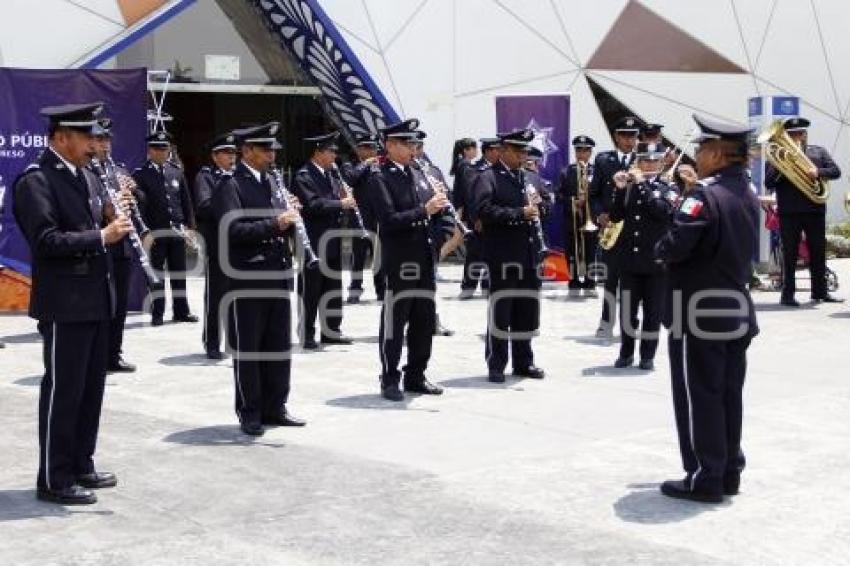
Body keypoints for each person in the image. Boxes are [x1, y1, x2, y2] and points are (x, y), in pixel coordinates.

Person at [14, 102, 132, 504]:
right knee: (64, 390)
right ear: (61, 137)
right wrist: (103, 235)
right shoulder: (37, 180)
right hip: (66, 302)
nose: (94, 146)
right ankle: (54, 477)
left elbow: (96, 222)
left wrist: (112, 213)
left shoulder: (88, 176)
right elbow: (46, 241)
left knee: (91, 389)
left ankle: (82, 462)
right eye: (86, 138)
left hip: (98, 298)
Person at [654, 114, 760, 503]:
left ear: (716, 153)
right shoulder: (745, 191)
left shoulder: (704, 195)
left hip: (697, 313)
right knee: (728, 393)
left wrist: (661, 245)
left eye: (701, 148)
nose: (696, 155)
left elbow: (674, 245)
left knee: (700, 394)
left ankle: (705, 475)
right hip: (735, 311)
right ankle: (729, 468)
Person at [212, 122, 306, 436]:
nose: (271, 156)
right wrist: (276, 223)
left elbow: (282, 225)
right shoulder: (231, 184)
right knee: (250, 347)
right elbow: (231, 230)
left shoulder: (274, 183)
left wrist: (293, 220)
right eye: (265, 150)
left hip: (277, 271)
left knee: (278, 344)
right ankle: (250, 410)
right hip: (248, 276)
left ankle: (275, 406)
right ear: (247, 151)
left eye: (273, 150)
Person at [368, 118, 446, 401]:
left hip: (424, 256)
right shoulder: (379, 177)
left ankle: (416, 374)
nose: (413, 148)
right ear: (390, 145)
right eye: (407, 143)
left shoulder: (419, 172)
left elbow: (438, 214)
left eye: (414, 143)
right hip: (400, 259)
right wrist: (425, 210)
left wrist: (440, 219)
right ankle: (389, 377)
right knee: (395, 320)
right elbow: (388, 220)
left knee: (424, 321)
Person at [472, 129, 546, 383]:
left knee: (527, 311)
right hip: (503, 254)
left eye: (525, 150)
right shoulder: (488, 177)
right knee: (502, 312)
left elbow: (543, 203)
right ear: (503, 151)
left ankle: (524, 361)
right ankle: (496, 363)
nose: (523, 155)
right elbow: (483, 210)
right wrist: (518, 213)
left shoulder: (530, 177)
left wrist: (541, 206)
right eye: (517, 150)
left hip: (528, 254)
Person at [609, 142, 678, 371]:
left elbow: (661, 211)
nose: (649, 164)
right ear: (638, 163)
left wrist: (641, 185)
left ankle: (647, 355)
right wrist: (619, 189)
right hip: (630, 260)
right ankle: (626, 352)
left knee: (653, 312)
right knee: (627, 312)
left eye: (654, 161)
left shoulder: (668, 186)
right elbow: (616, 216)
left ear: (660, 163)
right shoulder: (629, 186)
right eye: (645, 161)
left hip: (655, 261)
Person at [765, 117, 843, 306]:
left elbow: (836, 171)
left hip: (814, 210)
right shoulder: (778, 155)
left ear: (805, 134)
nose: (796, 138)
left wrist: (818, 172)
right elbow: (768, 183)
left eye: (799, 134)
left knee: (818, 251)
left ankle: (820, 292)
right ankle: (788, 294)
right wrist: (782, 168)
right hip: (789, 211)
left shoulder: (818, 152)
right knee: (790, 253)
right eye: (791, 135)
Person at [91, 118, 145, 373]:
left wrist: (132, 193)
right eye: (100, 140)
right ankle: (99, 355)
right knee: (103, 303)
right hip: (101, 244)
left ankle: (114, 353)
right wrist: (107, 210)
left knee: (120, 305)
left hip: (122, 246)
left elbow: (137, 202)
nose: (105, 146)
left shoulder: (117, 169)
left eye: (107, 140)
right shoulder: (87, 171)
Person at [292, 131, 355, 349]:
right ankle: (307, 332)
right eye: (331, 151)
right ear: (318, 152)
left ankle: (331, 330)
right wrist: (341, 204)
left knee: (333, 288)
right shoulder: (304, 176)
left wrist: (346, 202)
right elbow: (313, 205)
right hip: (314, 240)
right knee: (311, 289)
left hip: (333, 239)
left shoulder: (332, 174)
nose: (335, 156)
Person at [133, 130, 198, 326]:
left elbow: (185, 200)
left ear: (169, 149)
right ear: (150, 150)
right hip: (156, 232)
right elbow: (140, 207)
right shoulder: (141, 174)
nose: (161, 153)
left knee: (179, 273)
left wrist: (190, 226)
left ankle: (181, 311)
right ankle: (158, 312)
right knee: (157, 274)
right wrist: (144, 232)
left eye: (164, 148)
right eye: (157, 149)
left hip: (177, 230)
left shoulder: (175, 170)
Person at [590, 116, 640, 338]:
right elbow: (594, 194)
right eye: (625, 136)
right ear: (617, 137)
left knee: (635, 278)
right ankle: (606, 321)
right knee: (611, 280)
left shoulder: (643, 160)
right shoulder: (603, 160)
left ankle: (631, 323)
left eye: (633, 136)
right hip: (611, 227)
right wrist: (599, 213)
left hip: (636, 229)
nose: (630, 140)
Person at [193, 131, 237, 359]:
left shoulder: (238, 176)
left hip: (239, 243)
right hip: (218, 244)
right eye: (226, 153)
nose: (231, 157)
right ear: (214, 156)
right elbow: (204, 207)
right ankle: (211, 342)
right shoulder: (207, 177)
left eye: (233, 153)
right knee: (216, 296)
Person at [458, 138, 501, 298]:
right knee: (475, 253)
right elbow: (471, 196)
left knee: (492, 252)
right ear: (489, 151)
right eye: (497, 150)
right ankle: (468, 286)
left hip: (494, 217)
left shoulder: (499, 169)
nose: (500, 153)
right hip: (479, 219)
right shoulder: (475, 169)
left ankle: (487, 284)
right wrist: (476, 218)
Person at [342, 133, 382, 303]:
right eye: (368, 148)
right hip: (360, 220)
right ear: (359, 150)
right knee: (358, 257)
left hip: (378, 218)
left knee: (379, 256)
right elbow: (350, 179)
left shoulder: (380, 166)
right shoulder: (349, 165)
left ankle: (381, 289)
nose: (372, 151)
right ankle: (355, 289)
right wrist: (365, 164)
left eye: (373, 148)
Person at [558, 135, 598, 294]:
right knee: (572, 250)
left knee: (591, 249)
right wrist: (573, 201)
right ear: (575, 152)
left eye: (585, 150)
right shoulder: (566, 171)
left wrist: (589, 202)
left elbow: (601, 194)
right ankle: (573, 278)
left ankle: (589, 278)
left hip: (591, 218)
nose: (582, 154)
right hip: (572, 218)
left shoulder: (596, 171)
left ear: (590, 152)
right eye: (579, 150)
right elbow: (559, 195)